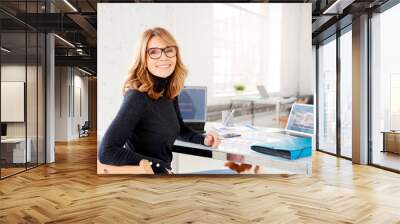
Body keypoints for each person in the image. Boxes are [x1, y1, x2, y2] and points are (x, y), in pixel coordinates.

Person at [99, 27, 220, 174]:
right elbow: (107, 152)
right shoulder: (136, 97)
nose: (164, 57)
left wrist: (203, 139)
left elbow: (181, 129)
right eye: (154, 52)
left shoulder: (168, 92)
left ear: (176, 55)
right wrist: (158, 167)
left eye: (168, 50)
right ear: (144, 59)